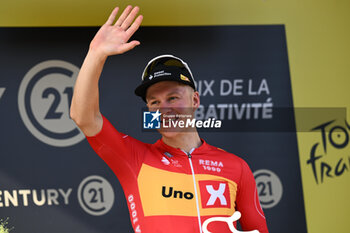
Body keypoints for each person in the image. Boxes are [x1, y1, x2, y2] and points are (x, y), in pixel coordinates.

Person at [70, 5, 269, 233]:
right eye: (154, 102)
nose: (164, 109)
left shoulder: (236, 166)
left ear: (195, 100)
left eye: (173, 98)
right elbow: (83, 117)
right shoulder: (134, 158)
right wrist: (96, 54)